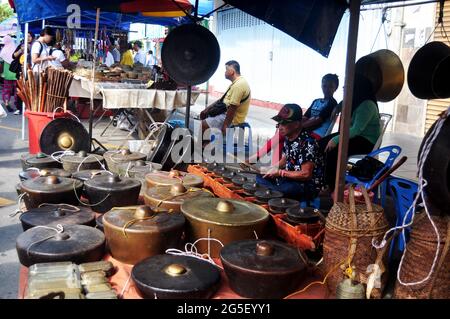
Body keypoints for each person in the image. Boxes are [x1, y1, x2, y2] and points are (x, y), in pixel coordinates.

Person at [320, 74, 381, 191]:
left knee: (333, 150)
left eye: (347, 86)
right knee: (321, 144)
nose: (343, 88)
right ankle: (322, 180)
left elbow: (356, 130)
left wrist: (336, 139)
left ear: (357, 87)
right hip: (356, 136)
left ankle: (332, 187)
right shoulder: (356, 99)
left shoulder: (367, 105)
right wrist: (337, 107)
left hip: (366, 141)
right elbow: (345, 101)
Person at [255, 103, 325, 200]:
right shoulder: (289, 138)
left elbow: (306, 174)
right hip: (288, 179)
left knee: (288, 189)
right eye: (279, 123)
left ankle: (275, 192)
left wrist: (280, 172)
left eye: (284, 124)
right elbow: (286, 158)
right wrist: (273, 168)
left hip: (305, 185)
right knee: (260, 176)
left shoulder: (308, 143)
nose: (280, 127)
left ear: (296, 124)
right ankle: (276, 192)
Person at [200, 60, 251, 136]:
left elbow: (233, 108)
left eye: (226, 70)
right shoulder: (236, 83)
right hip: (226, 114)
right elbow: (222, 100)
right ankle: (207, 144)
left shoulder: (239, 85)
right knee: (205, 119)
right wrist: (207, 110)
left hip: (233, 119)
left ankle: (204, 146)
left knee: (203, 125)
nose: (225, 72)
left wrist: (225, 125)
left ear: (232, 71)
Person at [303, 74, 339, 139]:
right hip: (307, 132)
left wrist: (299, 127)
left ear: (335, 88)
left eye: (330, 86)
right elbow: (305, 117)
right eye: (324, 86)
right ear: (321, 86)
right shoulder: (316, 101)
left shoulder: (332, 103)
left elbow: (319, 120)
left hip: (317, 135)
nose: (327, 89)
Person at [11, 31, 35, 114]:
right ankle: (19, 108)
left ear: (33, 37)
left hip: (30, 71)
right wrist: (21, 50)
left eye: (29, 36)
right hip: (20, 71)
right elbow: (13, 56)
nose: (28, 38)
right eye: (26, 36)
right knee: (19, 90)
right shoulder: (21, 45)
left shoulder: (35, 46)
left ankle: (29, 108)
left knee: (29, 90)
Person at [0, 35, 18, 113]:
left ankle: (7, 103)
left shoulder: (3, 51)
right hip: (15, 73)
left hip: (6, 74)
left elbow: (1, 62)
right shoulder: (15, 48)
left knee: (6, 90)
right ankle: (17, 105)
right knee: (17, 90)